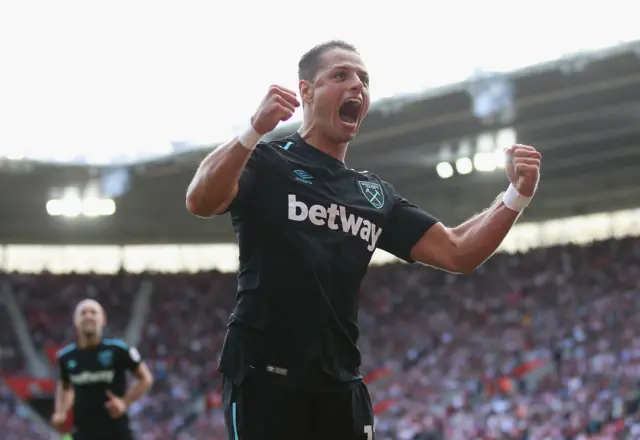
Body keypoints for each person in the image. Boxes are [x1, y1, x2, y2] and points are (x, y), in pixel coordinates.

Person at [186, 40, 541, 440]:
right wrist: (253, 131)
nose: (357, 85)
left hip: (341, 382)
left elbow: (458, 252)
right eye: (340, 75)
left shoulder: (373, 195)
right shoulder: (269, 162)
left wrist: (516, 196)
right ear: (306, 91)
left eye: (364, 79)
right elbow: (200, 199)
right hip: (267, 378)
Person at [51, 299, 154, 440]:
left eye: (94, 312)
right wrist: (60, 412)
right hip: (83, 434)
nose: (88, 316)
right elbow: (65, 386)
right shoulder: (66, 357)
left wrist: (124, 402)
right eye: (83, 313)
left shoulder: (118, 350)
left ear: (103, 319)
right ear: (75, 321)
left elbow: (145, 379)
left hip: (117, 433)